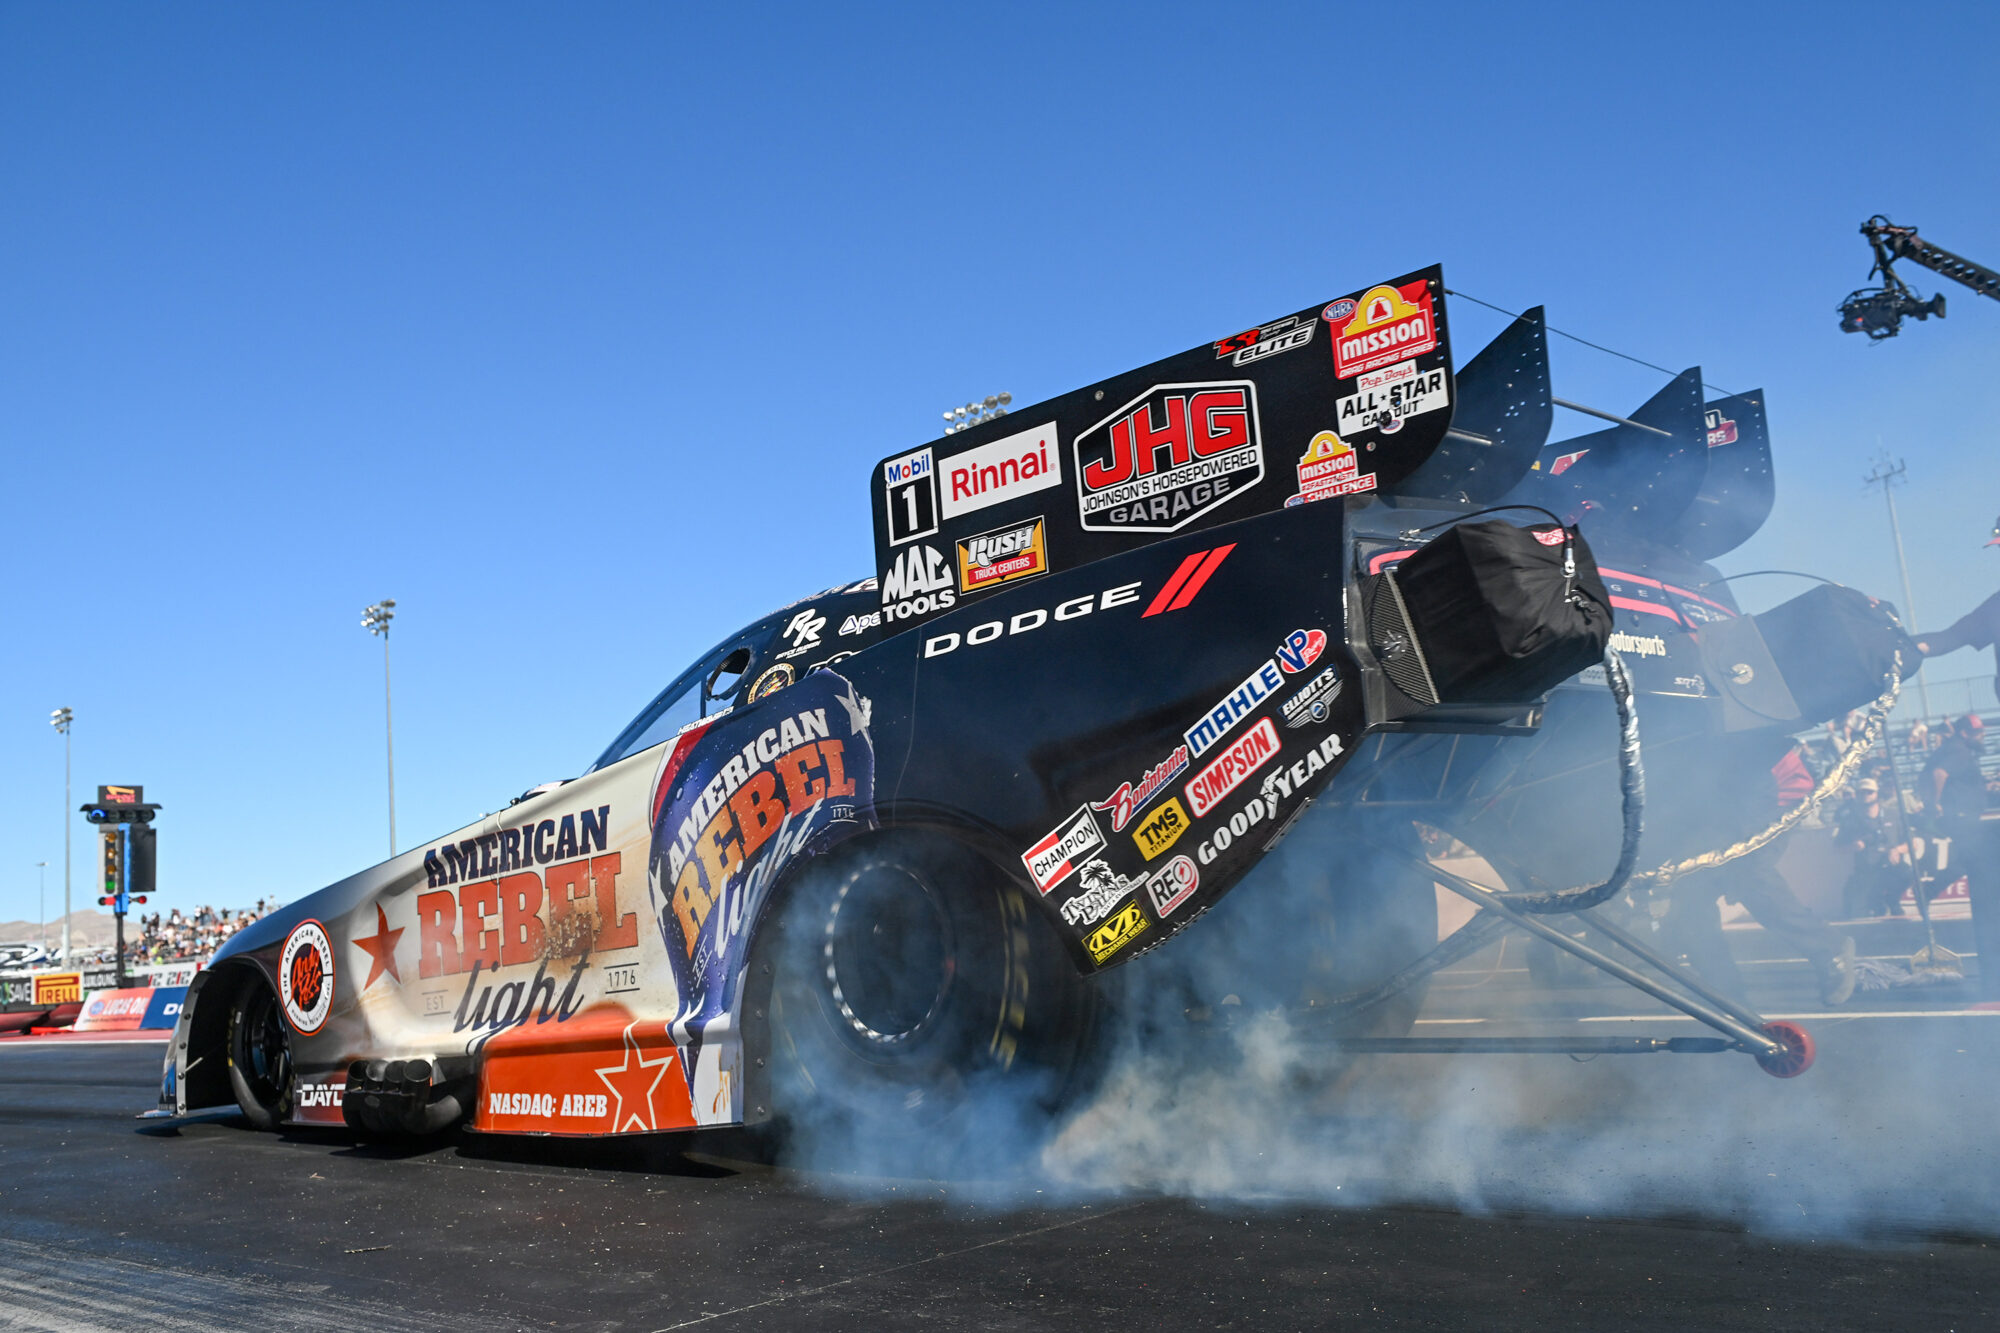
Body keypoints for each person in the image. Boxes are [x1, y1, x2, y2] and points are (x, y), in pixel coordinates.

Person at [1924, 712, 1996, 999]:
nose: (1982, 737)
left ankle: (1930, 888)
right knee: (1977, 861)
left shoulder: (1957, 749)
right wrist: (1936, 804)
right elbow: (1939, 774)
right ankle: (1930, 888)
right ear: (1965, 733)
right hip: (1963, 818)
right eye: (1978, 733)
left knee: (1971, 861)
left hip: (1966, 815)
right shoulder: (1958, 750)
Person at [1837, 776, 1915, 918]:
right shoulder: (1849, 819)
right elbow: (1838, 847)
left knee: (1911, 874)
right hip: (1867, 870)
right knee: (1874, 911)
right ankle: (1876, 902)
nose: (1865, 795)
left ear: (1877, 794)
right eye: (1861, 792)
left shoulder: (1893, 814)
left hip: (1892, 866)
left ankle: (1892, 899)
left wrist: (1897, 850)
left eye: (1869, 792)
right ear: (1856, 795)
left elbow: (1912, 843)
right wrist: (1853, 846)